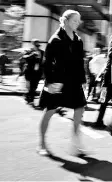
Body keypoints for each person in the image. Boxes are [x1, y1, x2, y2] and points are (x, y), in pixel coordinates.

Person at [38, 10, 87, 156]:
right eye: (74, 20)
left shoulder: (78, 40)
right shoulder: (55, 39)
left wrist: (83, 80)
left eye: (79, 21)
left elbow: (80, 62)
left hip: (74, 81)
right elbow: (46, 63)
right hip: (58, 81)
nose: (77, 23)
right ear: (65, 21)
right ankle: (42, 144)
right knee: (49, 112)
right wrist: (50, 82)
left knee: (80, 109)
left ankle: (75, 142)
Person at [22, 39, 45, 103]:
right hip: (29, 72)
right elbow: (24, 57)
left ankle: (29, 98)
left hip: (38, 72)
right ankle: (29, 97)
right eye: (36, 44)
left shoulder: (42, 52)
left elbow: (44, 62)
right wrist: (32, 54)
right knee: (29, 87)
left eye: (38, 45)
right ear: (33, 44)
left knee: (35, 86)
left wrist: (43, 72)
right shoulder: (29, 51)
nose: (37, 46)